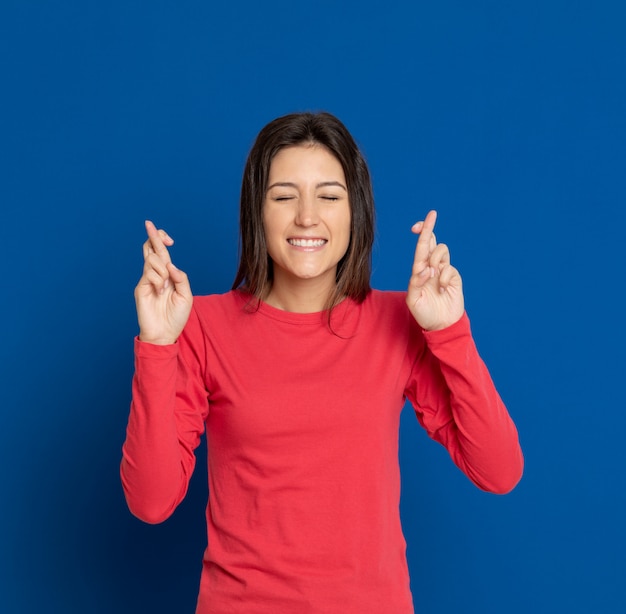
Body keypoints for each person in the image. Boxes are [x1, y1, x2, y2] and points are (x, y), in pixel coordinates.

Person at [121, 111, 523, 614]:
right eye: (284, 196)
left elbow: (499, 470)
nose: (307, 217)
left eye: (329, 196)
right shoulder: (200, 323)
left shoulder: (399, 321)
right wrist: (158, 344)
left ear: (356, 212)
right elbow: (150, 502)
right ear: (256, 212)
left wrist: (448, 331)